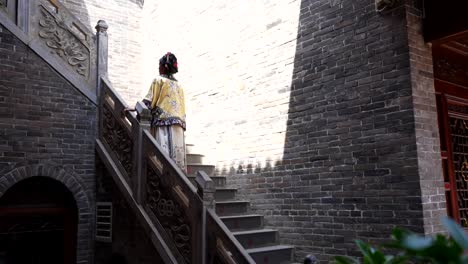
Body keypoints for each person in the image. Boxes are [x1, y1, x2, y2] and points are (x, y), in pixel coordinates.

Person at [127, 52, 186, 172]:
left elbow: (148, 101)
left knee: (163, 156)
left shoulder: (158, 80)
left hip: (163, 124)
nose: (158, 68)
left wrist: (134, 108)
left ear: (164, 66)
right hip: (178, 126)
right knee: (177, 157)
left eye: (159, 65)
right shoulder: (179, 85)